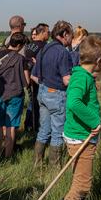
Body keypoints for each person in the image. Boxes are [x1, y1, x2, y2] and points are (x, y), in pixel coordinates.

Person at [45, 35, 101, 200]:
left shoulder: (83, 75)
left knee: (79, 182)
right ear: (99, 60)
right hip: (80, 138)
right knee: (82, 186)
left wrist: (99, 117)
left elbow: (86, 104)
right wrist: (94, 122)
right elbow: (73, 103)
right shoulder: (81, 78)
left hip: (81, 135)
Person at [31, 20, 73, 167]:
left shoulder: (44, 49)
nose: (71, 39)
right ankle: (55, 167)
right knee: (57, 132)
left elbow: (33, 76)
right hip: (56, 94)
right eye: (70, 36)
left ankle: (37, 163)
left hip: (42, 92)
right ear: (65, 34)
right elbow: (67, 80)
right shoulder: (63, 52)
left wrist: (45, 86)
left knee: (44, 130)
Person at [0, 32, 30, 157]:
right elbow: (27, 81)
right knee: (10, 126)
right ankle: (8, 155)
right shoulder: (21, 59)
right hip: (16, 95)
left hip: (0, 94)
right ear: (19, 45)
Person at [24, 23, 49, 132]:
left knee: (32, 102)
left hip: (28, 77)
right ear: (42, 33)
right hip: (40, 78)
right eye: (48, 32)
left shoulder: (29, 46)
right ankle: (36, 127)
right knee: (40, 104)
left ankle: (28, 125)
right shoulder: (44, 46)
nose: (49, 34)